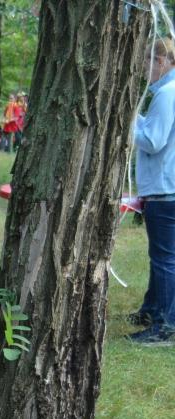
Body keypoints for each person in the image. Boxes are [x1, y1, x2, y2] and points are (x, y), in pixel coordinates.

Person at [129, 38, 175, 345]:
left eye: (146, 63)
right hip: (166, 188)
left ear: (160, 61)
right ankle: (153, 310)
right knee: (163, 256)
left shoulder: (167, 94)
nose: (144, 71)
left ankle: (164, 326)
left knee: (164, 260)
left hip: (164, 189)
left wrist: (127, 125)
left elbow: (153, 141)